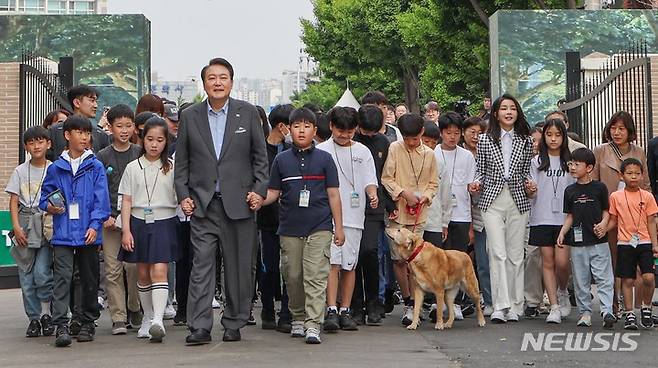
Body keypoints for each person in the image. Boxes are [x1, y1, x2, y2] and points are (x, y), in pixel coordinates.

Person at [174, 58, 269, 344]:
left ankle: (234, 321)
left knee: (239, 268)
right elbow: (182, 164)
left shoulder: (247, 112)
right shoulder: (190, 116)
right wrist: (184, 195)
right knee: (201, 266)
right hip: (203, 205)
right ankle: (199, 325)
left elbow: (260, 159)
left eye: (223, 77)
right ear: (204, 84)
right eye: (212, 78)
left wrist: (259, 190)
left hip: (239, 203)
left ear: (231, 81)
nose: (217, 82)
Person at [261, 107, 345, 344]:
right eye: (297, 126)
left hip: (319, 226)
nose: (301, 130)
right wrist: (257, 200)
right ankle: (298, 317)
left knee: (316, 275)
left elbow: (334, 196)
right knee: (293, 275)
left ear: (314, 130)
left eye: (307, 126)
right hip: (289, 227)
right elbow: (273, 193)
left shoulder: (325, 159)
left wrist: (338, 227)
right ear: (289, 129)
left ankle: (312, 323)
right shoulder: (281, 160)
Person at [39, 115, 111, 347]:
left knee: (89, 278)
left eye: (87, 133)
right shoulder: (56, 168)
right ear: (67, 135)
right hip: (63, 233)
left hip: (88, 233)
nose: (84, 137)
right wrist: (49, 206)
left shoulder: (95, 165)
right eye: (79, 133)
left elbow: (102, 202)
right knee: (62, 278)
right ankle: (62, 324)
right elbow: (44, 198)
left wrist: (94, 226)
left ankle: (86, 322)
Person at [469, 94, 533, 323]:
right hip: (491, 201)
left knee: (516, 255)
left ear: (517, 113)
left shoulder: (526, 140)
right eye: (504, 108)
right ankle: (499, 305)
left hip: (518, 200)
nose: (508, 112)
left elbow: (527, 171)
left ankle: (516, 305)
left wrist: (530, 184)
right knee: (496, 252)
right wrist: (476, 183)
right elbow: (480, 170)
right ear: (495, 113)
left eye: (512, 109)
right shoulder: (485, 139)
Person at [317, 106, 378, 332]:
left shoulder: (363, 151)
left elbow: (369, 180)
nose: (345, 135)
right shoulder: (322, 150)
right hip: (327, 216)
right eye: (340, 131)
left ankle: (346, 309)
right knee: (332, 263)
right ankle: (331, 308)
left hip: (354, 216)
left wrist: (372, 194)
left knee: (350, 264)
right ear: (331, 127)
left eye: (350, 131)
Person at [119, 117, 179, 342]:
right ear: (142, 139)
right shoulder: (132, 168)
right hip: (138, 222)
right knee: (142, 272)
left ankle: (158, 320)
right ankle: (148, 317)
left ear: (166, 142)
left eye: (160, 140)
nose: (154, 144)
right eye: (150, 139)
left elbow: (180, 194)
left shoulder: (172, 167)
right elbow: (126, 201)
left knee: (160, 270)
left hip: (165, 221)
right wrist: (126, 230)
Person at [381, 113, 438, 326]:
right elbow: (386, 178)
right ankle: (407, 299)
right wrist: (403, 193)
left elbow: (433, 184)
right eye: (408, 139)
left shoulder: (430, 154)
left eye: (415, 138)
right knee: (398, 258)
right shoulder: (395, 148)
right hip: (398, 212)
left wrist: (426, 196)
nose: (412, 143)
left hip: (419, 214)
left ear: (422, 133)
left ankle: (415, 302)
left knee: (415, 259)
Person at [592, 111, 650, 316]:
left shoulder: (639, 151)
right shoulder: (600, 151)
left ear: (630, 131)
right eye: (613, 128)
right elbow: (593, 185)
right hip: (609, 213)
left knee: (639, 263)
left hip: (635, 215)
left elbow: (646, 185)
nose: (616, 132)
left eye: (621, 128)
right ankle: (613, 306)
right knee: (613, 261)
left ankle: (638, 308)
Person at [96, 104, 143, 335]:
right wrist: (105, 216)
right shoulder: (102, 156)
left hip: (134, 220)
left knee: (133, 266)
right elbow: (99, 190)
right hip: (110, 221)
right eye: (119, 126)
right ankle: (118, 317)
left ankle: (135, 306)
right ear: (110, 127)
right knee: (113, 269)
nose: (124, 130)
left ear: (134, 127)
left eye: (128, 126)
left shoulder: (140, 153)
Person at [556, 148, 616, 329]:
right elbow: (570, 216)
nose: (572, 167)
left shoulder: (600, 188)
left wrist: (604, 224)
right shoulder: (570, 190)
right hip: (577, 242)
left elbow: (607, 211)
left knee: (604, 277)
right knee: (581, 279)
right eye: (570, 164)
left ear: (589, 167)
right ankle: (585, 312)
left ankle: (607, 311)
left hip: (599, 240)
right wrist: (562, 232)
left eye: (577, 164)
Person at [526, 119, 576, 324]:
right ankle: (554, 305)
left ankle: (562, 290)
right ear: (543, 137)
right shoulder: (536, 162)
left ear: (564, 137)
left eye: (558, 135)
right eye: (549, 135)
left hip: (564, 219)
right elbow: (530, 190)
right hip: (542, 216)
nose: (553, 139)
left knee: (562, 262)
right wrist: (530, 190)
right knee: (547, 261)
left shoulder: (571, 161)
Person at [6, 126, 54, 338]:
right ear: (26, 146)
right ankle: (33, 319)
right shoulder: (20, 171)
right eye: (32, 143)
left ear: (48, 144)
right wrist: (16, 227)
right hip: (24, 223)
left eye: (40, 141)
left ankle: (46, 314)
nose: (36, 146)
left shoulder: (53, 168)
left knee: (42, 272)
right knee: (26, 275)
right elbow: (14, 200)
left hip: (45, 223)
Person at [352, 104, 395, 326]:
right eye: (365, 131)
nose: (369, 135)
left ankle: (373, 302)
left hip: (374, 205)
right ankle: (355, 304)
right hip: (350, 204)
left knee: (370, 251)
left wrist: (389, 204)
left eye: (373, 132)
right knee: (353, 256)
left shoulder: (383, 143)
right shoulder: (352, 140)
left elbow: (385, 177)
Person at [607, 158, 658, 330]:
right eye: (629, 173)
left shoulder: (648, 196)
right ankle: (629, 313)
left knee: (649, 277)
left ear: (643, 175)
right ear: (621, 176)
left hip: (644, 241)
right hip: (624, 243)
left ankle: (646, 307)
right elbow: (613, 220)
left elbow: (652, 221)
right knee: (627, 280)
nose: (633, 177)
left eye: (637, 173)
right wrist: (602, 228)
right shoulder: (615, 196)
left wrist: (655, 244)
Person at [258, 103, 294, 332]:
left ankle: (288, 313)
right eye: (295, 125)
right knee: (268, 266)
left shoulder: (293, 151)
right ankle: (267, 309)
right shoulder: (260, 150)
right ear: (282, 127)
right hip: (266, 218)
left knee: (290, 268)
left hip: (291, 218)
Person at [48, 85, 110, 160]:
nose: (96, 106)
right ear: (77, 103)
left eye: (96, 101)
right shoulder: (55, 131)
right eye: (92, 101)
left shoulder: (100, 135)